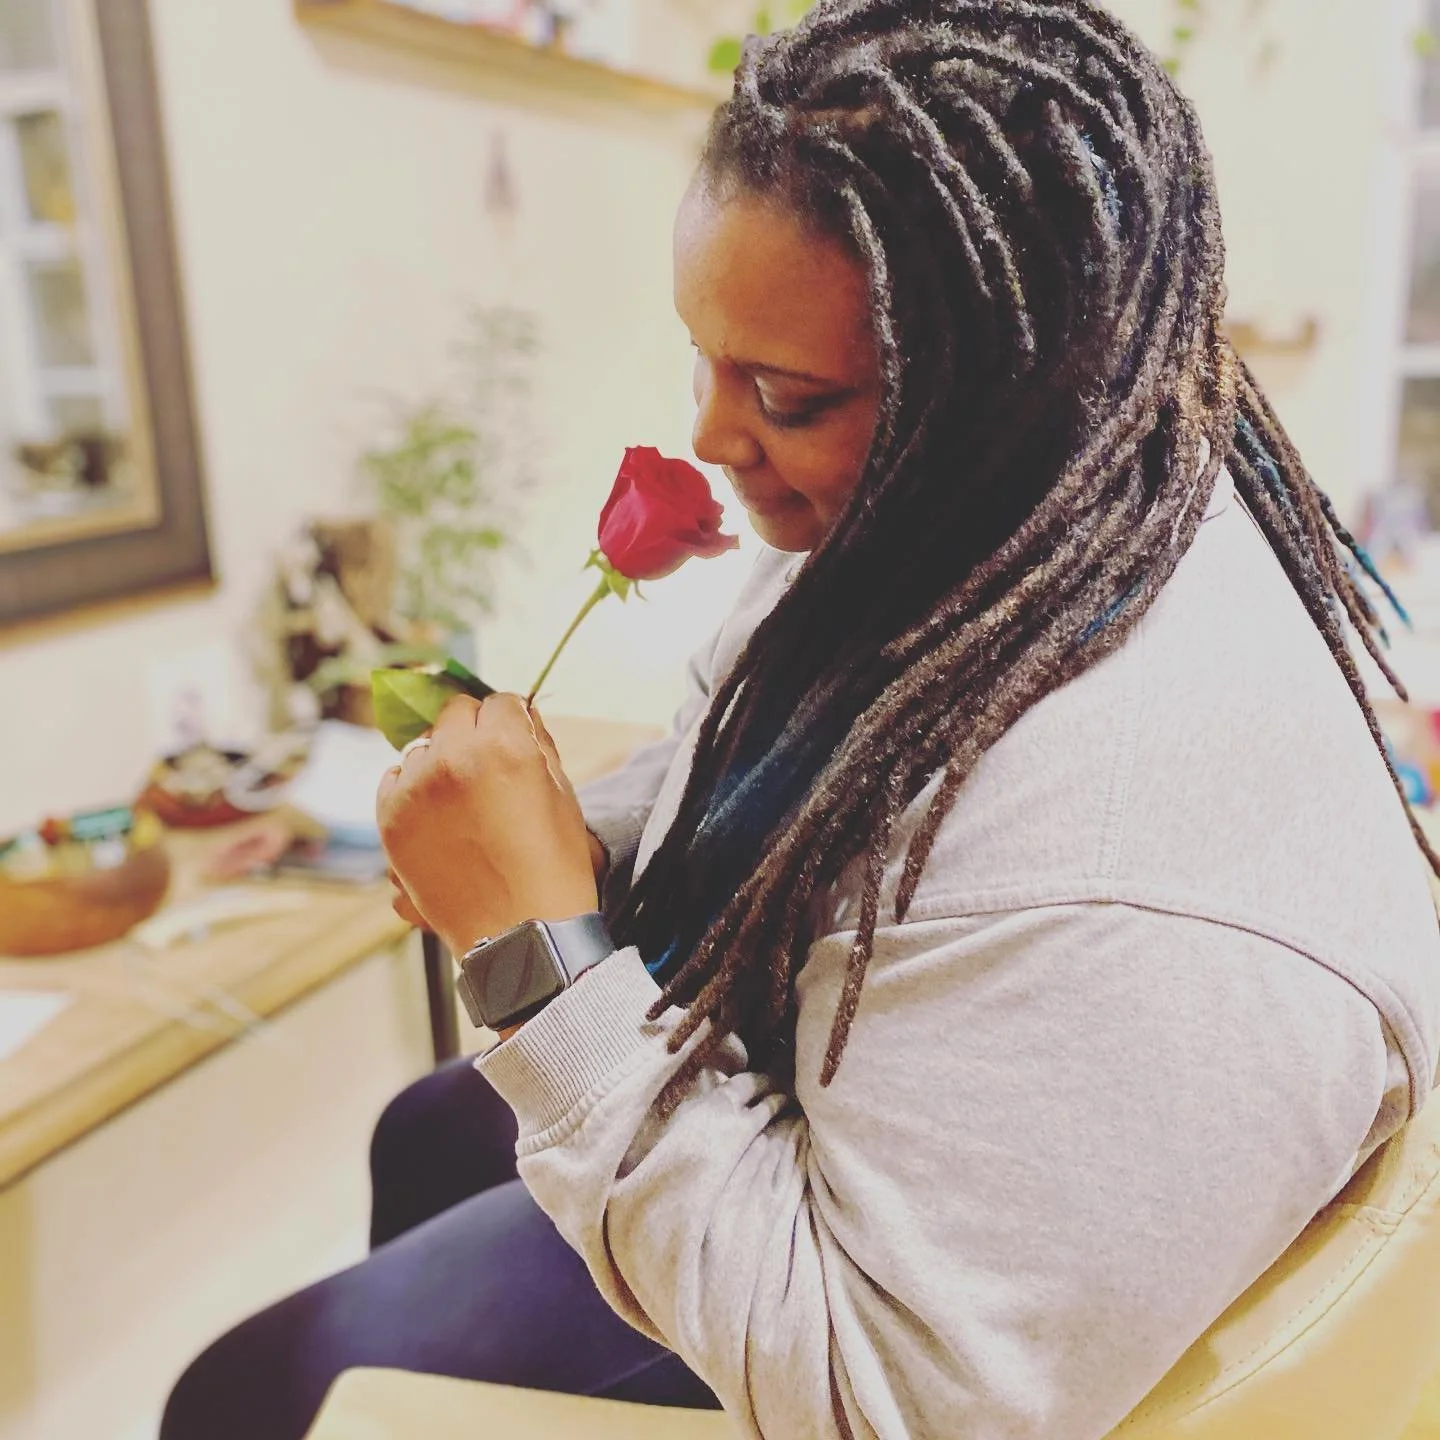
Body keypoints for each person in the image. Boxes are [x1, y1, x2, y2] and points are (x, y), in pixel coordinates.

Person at [162, 2, 1440, 1437]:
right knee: (427, 1129)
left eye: (784, 392)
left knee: (247, 1395)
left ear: (1027, 371)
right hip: (839, 1095)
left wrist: (540, 953)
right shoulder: (991, 517)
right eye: (704, 359)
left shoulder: (1119, 862)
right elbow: (776, 748)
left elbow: (883, 1390)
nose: (709, 437)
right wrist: (568, 841)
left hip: (839, 1308)